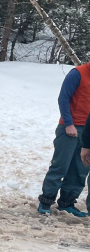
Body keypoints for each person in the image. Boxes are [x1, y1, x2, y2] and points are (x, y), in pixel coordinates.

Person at [37, 63, 90, 216]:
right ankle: (46, 201)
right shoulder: (77, 73)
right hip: (71, 128)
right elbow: (63, 98)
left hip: (88, 130)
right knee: (60, 166)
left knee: (81, 169)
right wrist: (68, 123)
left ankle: (67, 203)